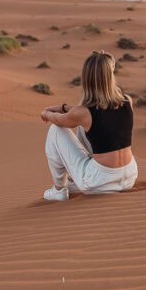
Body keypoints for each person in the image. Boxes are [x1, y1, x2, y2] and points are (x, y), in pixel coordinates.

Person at [41, 50, 137, 201]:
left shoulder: (85, 113)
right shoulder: (127, 101)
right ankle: (73, 183)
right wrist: (65, 107)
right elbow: (98, 113)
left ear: (87, 78)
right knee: (82, 126)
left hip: (100, 182)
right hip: (129, 177)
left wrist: (46, 114)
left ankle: (58, 189)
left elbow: (60, 121)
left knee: (55, 130)